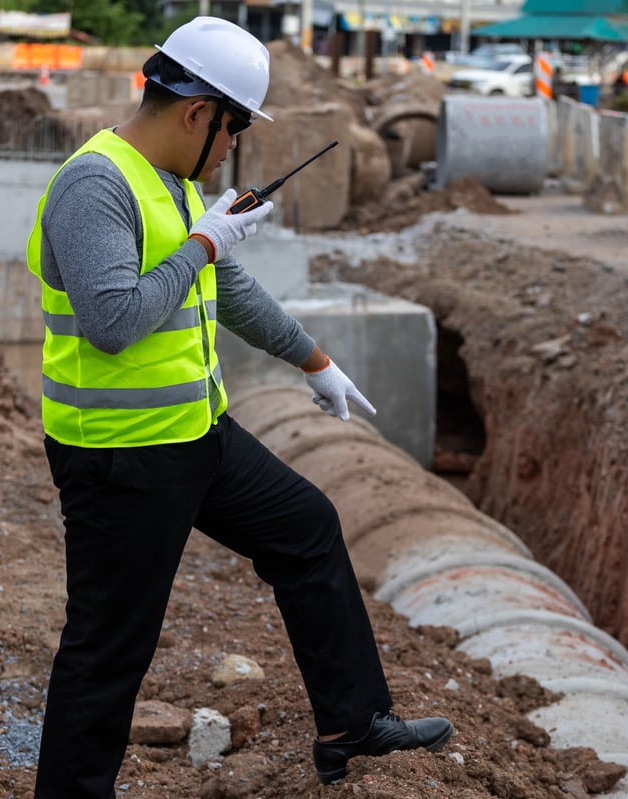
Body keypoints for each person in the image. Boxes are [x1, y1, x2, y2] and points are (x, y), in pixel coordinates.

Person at [25, 15, 453, 799]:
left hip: (195, 437)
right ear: (198, 112)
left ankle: (352, 723)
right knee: (107, 650)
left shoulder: (172, 181)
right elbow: (115, 321)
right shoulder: (96, 184)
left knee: (308, 529)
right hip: (120, 456)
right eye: (234, 130)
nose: (232, 148)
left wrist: (313, 358)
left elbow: (224, 289)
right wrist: (205, 243)